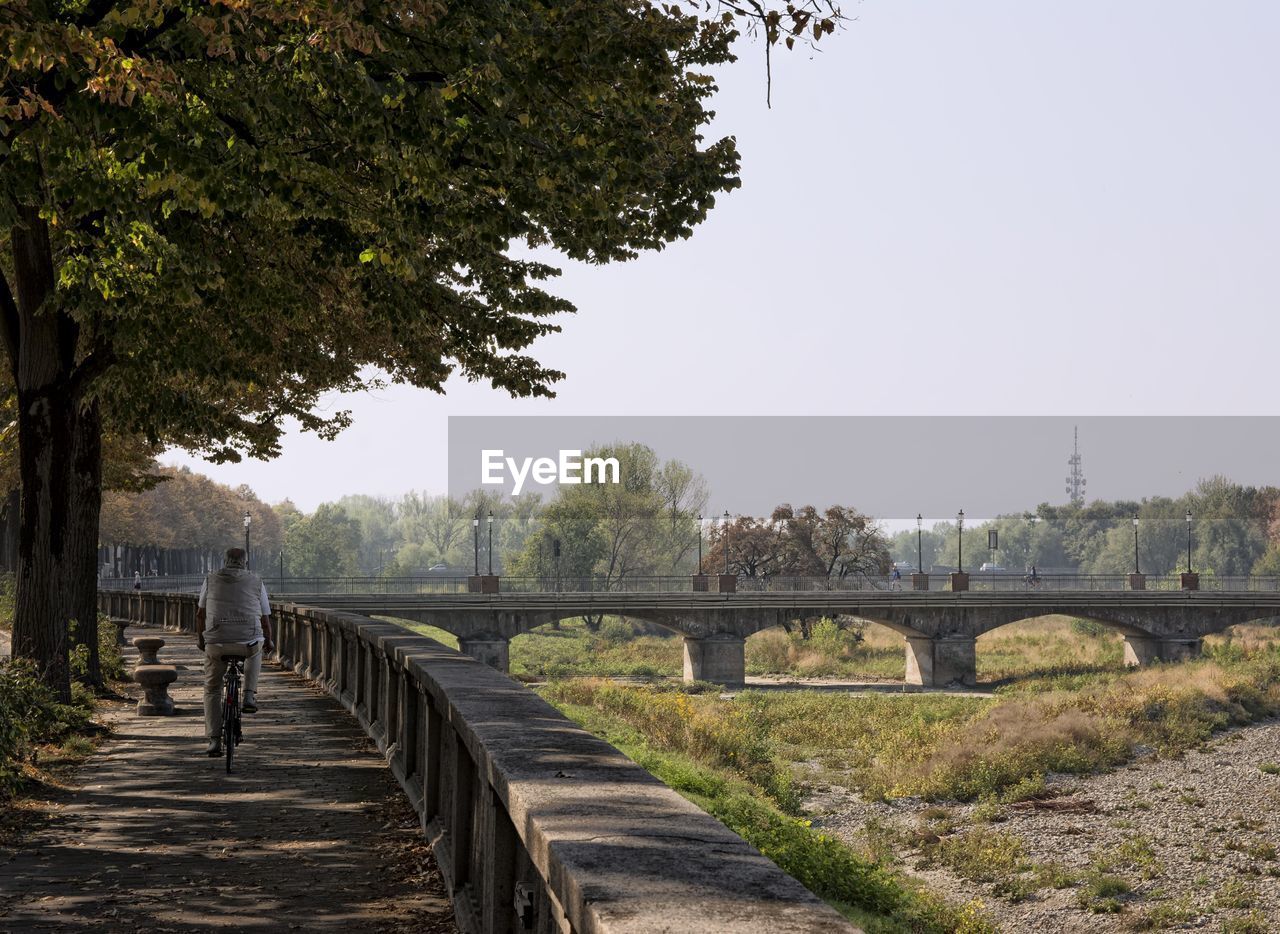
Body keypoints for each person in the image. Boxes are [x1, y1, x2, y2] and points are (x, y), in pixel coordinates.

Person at [196, 548, 274, 757]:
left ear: (225, 560)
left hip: (217, 641)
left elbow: (200, 613)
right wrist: (270, 640)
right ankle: (249, 695)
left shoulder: (210, 579)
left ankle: (214, 739)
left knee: (211, 688)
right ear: (245, 562)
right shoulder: (256, 581)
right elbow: (265, 618)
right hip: (247, 641)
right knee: (256, 649)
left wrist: (201, 639)